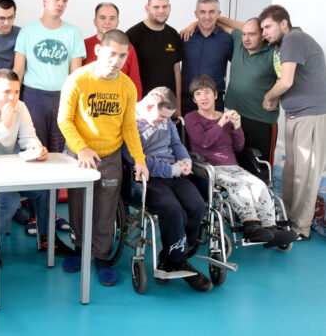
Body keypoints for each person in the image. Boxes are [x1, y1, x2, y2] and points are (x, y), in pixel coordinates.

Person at [57, 29, 147, 287]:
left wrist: (139, 159)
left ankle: (102, 258)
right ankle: (78, 249)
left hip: (110, 156)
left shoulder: (126, 86)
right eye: (111, 54)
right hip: (81, 155)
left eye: (122, 56)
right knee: (78, 204)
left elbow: (129, 126)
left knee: (106, 209)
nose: (116, 61)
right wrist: (81, 148)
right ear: (98, 50)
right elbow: (64, 120)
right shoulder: (78, 79)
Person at [0, 69, 73, 263]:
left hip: (9, 172)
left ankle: (47, 237)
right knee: (9, 200)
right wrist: (3, 127)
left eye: (16, 91)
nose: (12, 97)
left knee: (45, 189)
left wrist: (37, 149)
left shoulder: (20, 107)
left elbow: (29, 138)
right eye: (6, 92)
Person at [185, 75, 296, 247]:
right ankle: (251, 226)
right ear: (194, 99)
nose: (203, 97)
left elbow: (238, 147)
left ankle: (270, 228)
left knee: (259, 185)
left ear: (215, 95)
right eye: (198, 94)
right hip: (209, 167)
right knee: (240, 186)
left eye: (207, 92)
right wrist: (221, 123)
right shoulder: (192, 118)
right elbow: (205, 141)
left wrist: (237, 126)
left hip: (233, 167)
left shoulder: (226, 117)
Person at [125, 87, 212, 292]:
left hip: (174, 172)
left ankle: (171, 255)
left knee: (197, 206)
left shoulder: (166, 120)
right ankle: (179, 262)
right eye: (162, 117)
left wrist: (185, 160)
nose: (165, 122)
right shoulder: (129, 122)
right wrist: (170, 169)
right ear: (149, 107)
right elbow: (134, 158)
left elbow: (176, 143)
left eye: (168, 118)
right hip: (149, 178)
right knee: (173, 211)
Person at [259, 4, 326, 241]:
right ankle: (287, 220)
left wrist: (268, 97)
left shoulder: (294, 39)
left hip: (310, 116)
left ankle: (300, 228)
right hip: (296, 115)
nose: (264, 33)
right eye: (262, 29)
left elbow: (286, 82)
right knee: (291, 174)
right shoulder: (283, 43)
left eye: (268, 27)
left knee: (305, 175)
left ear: (284, 23)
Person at [181, 16, 279, 165]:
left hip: (261, 119)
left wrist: (274, 95)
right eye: (244, 33)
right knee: (240, 156)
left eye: (252, 34)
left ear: (263, 35)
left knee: (260, 163)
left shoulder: (274, 53)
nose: (246, 38)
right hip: (236, 113)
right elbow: (213, 20)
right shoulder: (239, 40)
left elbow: (288, 79)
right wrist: (195, 24)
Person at [14, 0, 85, 154]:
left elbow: (76, 75)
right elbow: (18, 71)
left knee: (59, 151)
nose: (61, 4)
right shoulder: (27, 31)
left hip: (62, 98)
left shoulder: (74, 33)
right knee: (34, 149)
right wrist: (12, 100)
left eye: (65, 0)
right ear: (44, 0)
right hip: (33, 98)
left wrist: (75, 104)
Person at [126, 0, 184, 115]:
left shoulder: (173, 35)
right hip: (142, 107)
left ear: (169, 8)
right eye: (156, 7)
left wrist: (178, 106)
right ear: (147, 8)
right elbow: (125, 73)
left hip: (168, 108)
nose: (161, 11)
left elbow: (177, 71)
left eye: (164, 7)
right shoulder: (133, 35)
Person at [180, 0, 233, 114]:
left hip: (214, 103)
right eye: (202, 12)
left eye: (212, 12)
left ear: (219, 14)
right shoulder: (185, 37)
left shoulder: (228, 39)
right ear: (196, 14)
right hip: (187, 102)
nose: (207, 16)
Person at [83, 2, 142, 100]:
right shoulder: (83, 45)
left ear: (117, 22)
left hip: (119, 104)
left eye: (112, 18)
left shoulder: (128, 48)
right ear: (95, 21)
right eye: (102, 18)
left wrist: (135, 106)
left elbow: (135, 83)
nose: (107, 22)